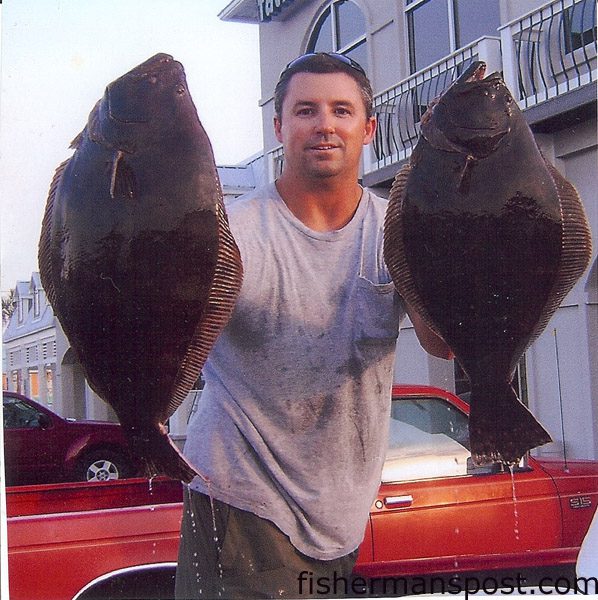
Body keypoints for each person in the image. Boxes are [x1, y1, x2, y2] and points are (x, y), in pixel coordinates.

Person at [175, 52, 452, 599]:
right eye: (306, 110)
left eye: (341, 110)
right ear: (279, 127)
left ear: (368, 128)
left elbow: (441, 343)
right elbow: (169, 339)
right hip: (242, 501)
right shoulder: (228, 234)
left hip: (343, 511)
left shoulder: (398, 228)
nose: (324, 124)